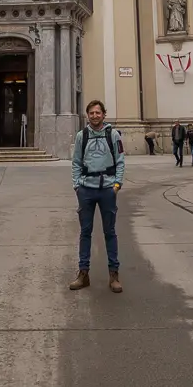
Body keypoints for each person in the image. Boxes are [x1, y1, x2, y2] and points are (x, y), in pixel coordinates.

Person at [70, 100, 125, 293]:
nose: (95, 116)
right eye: (91, 113)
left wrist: (117, 185)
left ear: (104, 114)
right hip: (86, 190)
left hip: (107, 190)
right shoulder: (81, 136)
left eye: (98, 112)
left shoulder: (113, 135)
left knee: (109, 232)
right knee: (85, 232)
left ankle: (114, 275)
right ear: (87, 116)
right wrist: (77, 185)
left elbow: (120, 161)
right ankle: (83, 274)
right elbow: (76, 161)